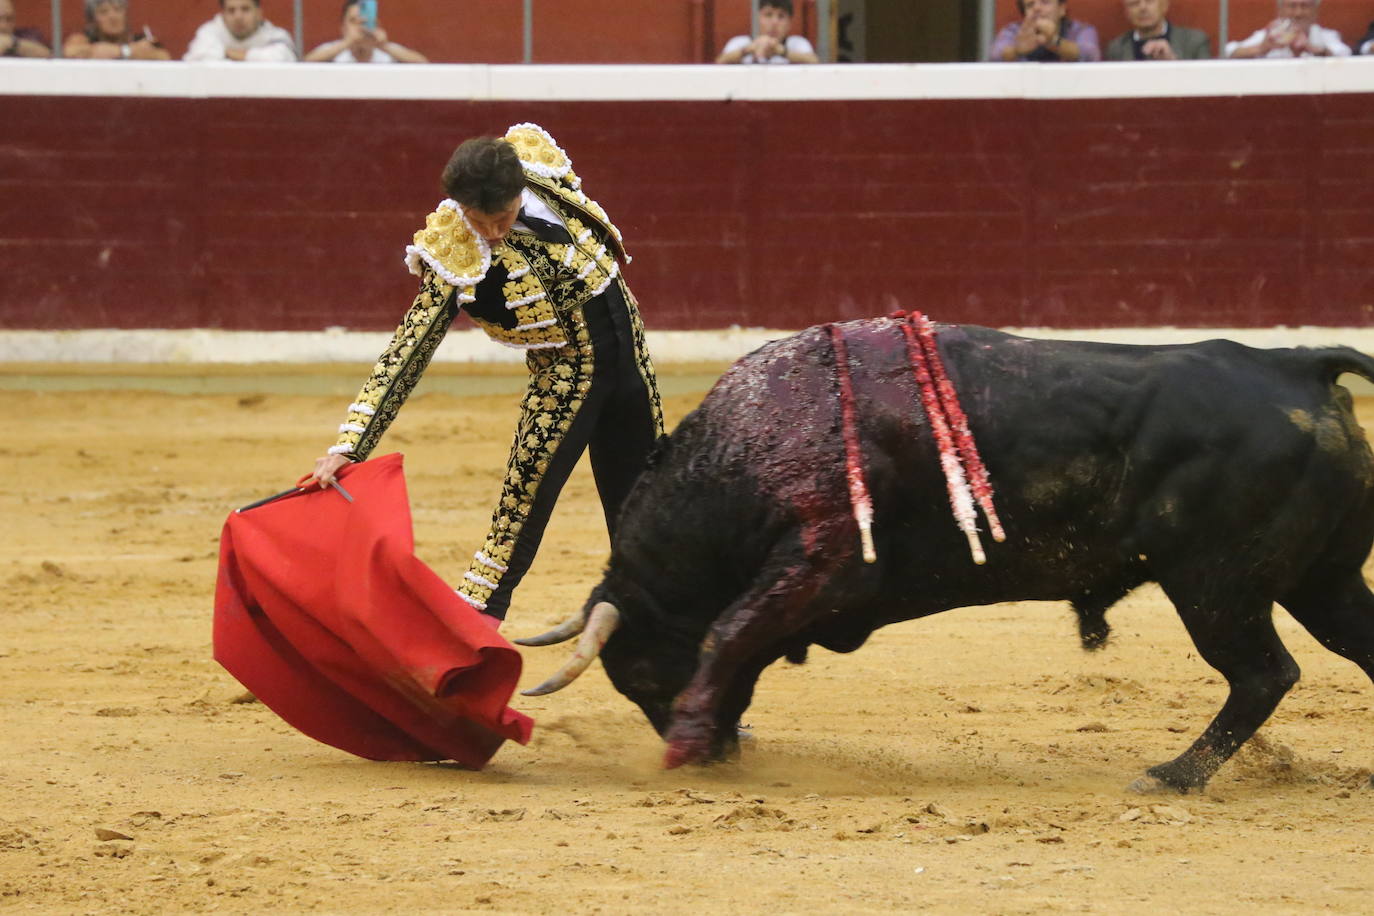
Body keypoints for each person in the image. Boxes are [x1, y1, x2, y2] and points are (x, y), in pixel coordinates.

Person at [307, 124, 664, 628]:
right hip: (564, 380)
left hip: (632, 362)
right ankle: (465, 637)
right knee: (519, 509)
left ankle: (671, 644)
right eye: (480, 221)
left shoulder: (544, 173)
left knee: (650, 506)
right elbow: (410, 345)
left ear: (520, 192)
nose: (493, 233)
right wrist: (351, 443)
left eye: (502, 218)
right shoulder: (454, 248)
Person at [305, 0, 427, 63]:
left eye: (364, 22)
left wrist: (384, 46)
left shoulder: (386, 51)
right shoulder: (333, 51)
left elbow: (422, 63)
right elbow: (306, 63)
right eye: (353, 21)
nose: (359, 26)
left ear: (375, 24)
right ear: (343, 28)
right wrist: (348, 43)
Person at [1224, 0, 1350, 57]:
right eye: (1292, 6)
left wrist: (1313, 49)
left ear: (1315, 12)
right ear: (1281, 11)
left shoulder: (1326, 35)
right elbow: (1230, 51)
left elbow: (1345, 55)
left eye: (1305, 6)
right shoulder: (1269, 35)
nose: (1298, 13)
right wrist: (1262, 48)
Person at [184, 0, 297, 62]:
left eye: (245, 9)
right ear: (223, 15)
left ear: (258, 13)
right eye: (231, 10)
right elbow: (196, 57)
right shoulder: (210, 32)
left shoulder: (275, 36)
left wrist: (228, 53)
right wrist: (252, 57)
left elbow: (283, 58)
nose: (238, 17)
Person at [990, 0, 1102, 61]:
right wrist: (1017, 51)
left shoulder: (1081, 30)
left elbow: (1090, 55)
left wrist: (1053, 42)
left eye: (1045, 2)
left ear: (1061, 9)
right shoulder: (1012, 31)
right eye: (1030, 5)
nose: (1037, 8)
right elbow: (995, 56)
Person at [716, 0, 819, 64]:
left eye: (781, 16)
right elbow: (720, 61)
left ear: (789, 23)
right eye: (768, 15)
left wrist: (782, 52)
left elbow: (814, 61)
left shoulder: (797, 43)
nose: (774, 22)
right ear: (758, 19)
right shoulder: (741, 42)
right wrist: (748, 50)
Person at [63, 0, 170, 61]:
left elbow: (164, 57)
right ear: (93, 21)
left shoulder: (140, 40)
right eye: (103, 12)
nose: (113, 17)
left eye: (118, 10)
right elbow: (68, 52)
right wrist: (131, 51)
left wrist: (122, 51)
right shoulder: (84, 39)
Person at [1105, 0, 1210, 59]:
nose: (1142, 8)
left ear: (1164, 5)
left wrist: (1174, 64)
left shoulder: (1194, 42)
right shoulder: (1117, 48)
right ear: (1127, 12)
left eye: (1150, 1)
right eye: (1134, 3)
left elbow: (1206, 83)